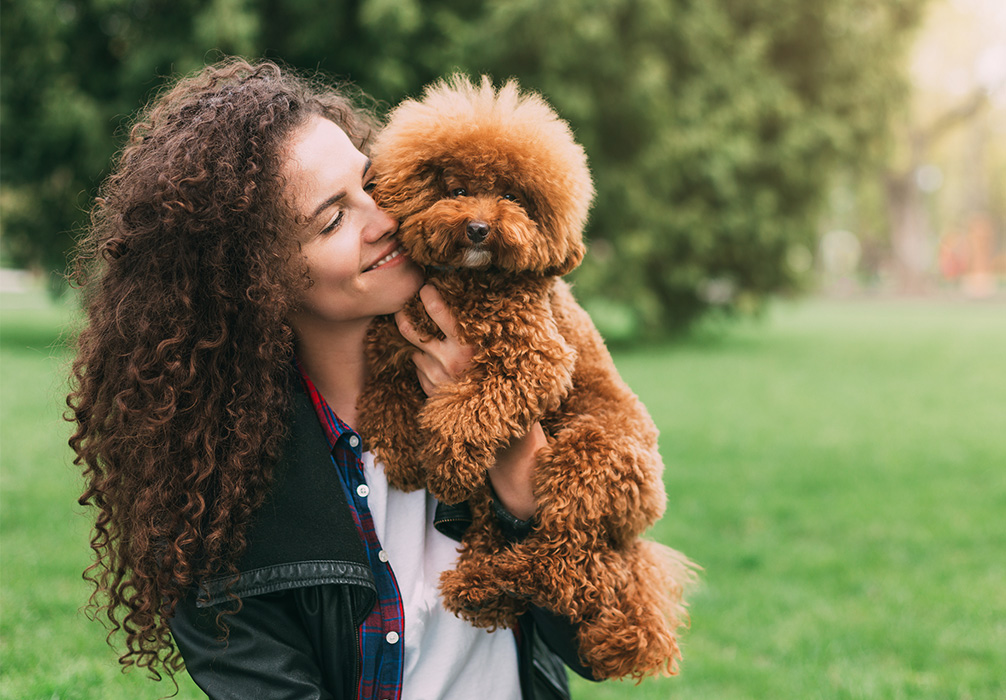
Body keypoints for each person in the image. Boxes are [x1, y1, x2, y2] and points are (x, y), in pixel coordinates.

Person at [68, 58, 592, 699]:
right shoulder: (212, 487)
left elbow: (593, 646)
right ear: (256, 278)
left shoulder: (516, 361)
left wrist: (512, 442)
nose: (383, 219)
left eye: (371, 182)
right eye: (332, 218)